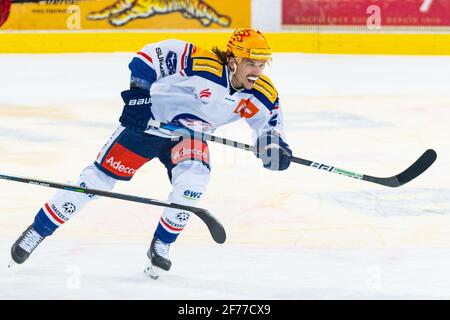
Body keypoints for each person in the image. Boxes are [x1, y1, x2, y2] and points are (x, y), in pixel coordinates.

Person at [10, 27, 292, 279]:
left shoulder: (261, 93)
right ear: (232, 60)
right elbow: (147, 58)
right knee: (95, 183)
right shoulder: (201, 62)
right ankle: (36, 232)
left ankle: (162, 245)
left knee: (192, 186)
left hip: (188, 137)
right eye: (250, 63)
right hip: (148, 127)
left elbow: (268, 128)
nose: (257, 70)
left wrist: (273, 147)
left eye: (261, 64)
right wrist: (139, 99)